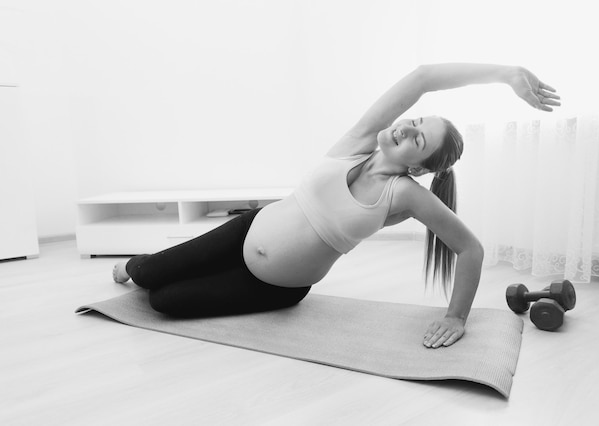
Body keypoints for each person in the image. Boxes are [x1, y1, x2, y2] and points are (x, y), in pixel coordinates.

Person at [112, 63, 560, 349]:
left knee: (165, 301)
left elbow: (470, 249)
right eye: (416, 121)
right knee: (145, 275)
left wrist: (456, 316)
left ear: (420, 168)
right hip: (246, 230)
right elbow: (423, 78)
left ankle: (163, 269)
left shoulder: (403, 195)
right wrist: (507, 73)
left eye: (417, 138)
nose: (406, 127)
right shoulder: (362, 139)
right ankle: (150, 264)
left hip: (278, 287)